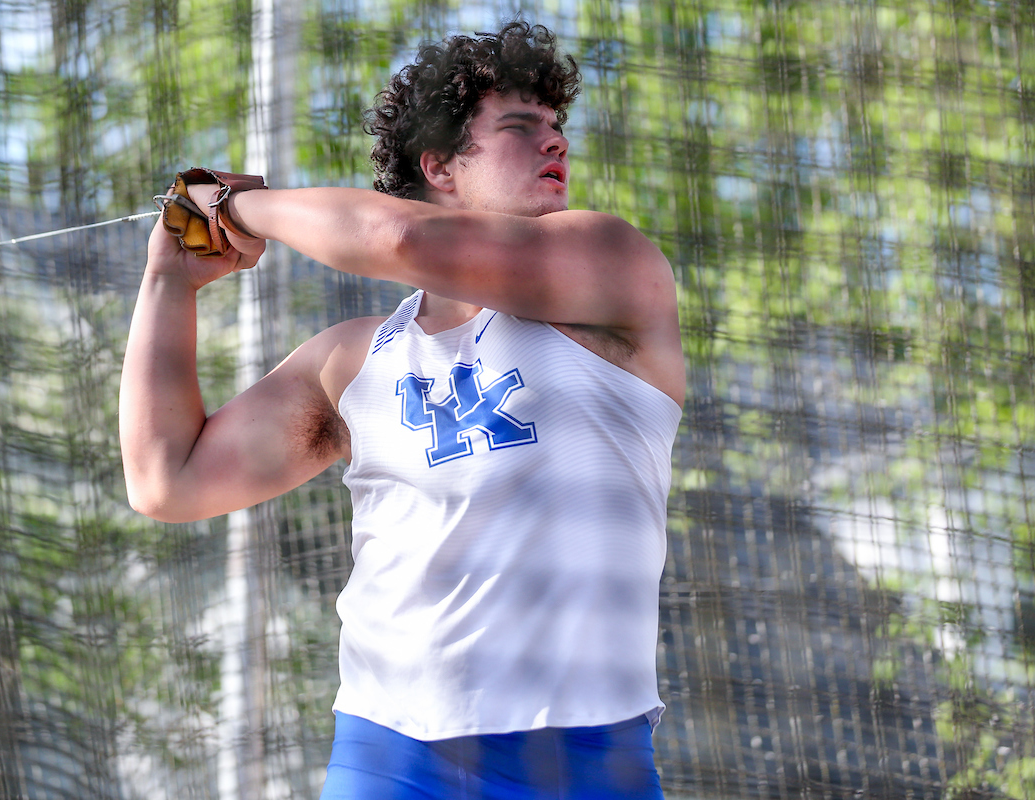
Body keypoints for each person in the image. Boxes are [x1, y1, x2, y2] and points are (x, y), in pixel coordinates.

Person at [119, 21, 684, 800]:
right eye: (521, 127)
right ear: (439, 165)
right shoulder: (352, 360)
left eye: (559, 129)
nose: (555, 144)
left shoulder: (608, 264)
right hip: (388, 761)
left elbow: (396, 236)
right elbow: (165, 480)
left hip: (582, 762)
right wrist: (168, 280)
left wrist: (246, 208)